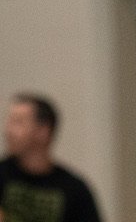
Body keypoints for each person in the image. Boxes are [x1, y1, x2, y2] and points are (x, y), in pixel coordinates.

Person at [0, 94, 103, 222]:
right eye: (9, 121)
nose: (8, 131)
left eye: (18, 122)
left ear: (43, 131)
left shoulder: (75, 190)